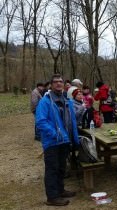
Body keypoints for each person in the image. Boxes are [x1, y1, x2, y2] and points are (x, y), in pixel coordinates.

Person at [35, 74, 79, 206]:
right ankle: (52, 197)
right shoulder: (45, 101)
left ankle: (60, 190)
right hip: (52, 141)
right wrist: (55, 134)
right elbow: (41, 122)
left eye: (60, 81)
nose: (59, 84)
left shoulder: (66, 100)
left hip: (64, 141)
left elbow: (72, 122)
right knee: (52, 169)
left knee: (61, 168)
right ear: (51, 85)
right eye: (56, 82)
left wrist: (74, 139)